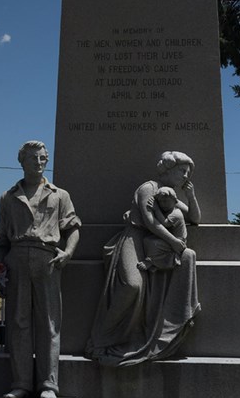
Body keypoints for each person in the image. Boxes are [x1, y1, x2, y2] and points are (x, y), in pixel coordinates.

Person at [86, 151, 201, 367]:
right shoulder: (149, 188)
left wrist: (191, 197)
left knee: (186, 257)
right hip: (134, 237)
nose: (186, 176)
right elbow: (149, 222)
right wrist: (174, 242)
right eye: (182, 171)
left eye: (188, 172)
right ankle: (101, 338)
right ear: (168, 169)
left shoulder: (171, 197)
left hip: (154, 244)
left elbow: (194, 219)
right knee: (132, 285)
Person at [0, 141, 81, 398]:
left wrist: (68, 252)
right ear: (22, 161)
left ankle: (48, 385)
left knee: (49, 324)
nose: (38, 163)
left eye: (42, 158)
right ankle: (20, 384)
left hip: (47, 259)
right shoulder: (8, 198)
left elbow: (73, 228)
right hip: (16, 259)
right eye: (33, 159)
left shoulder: (59, 195)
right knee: (18, 324)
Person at [137, 186, 185, 272]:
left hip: (179, 241)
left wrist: (156, 209)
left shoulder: (177, 213)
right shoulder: (168, 211)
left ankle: (151, 261)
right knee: (148, 240)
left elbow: (165, 223)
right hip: (169, 239)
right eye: (160, 202)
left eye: (166, 201)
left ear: (174, 200)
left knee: (154, 243)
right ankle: (157, 263)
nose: (163, 204)